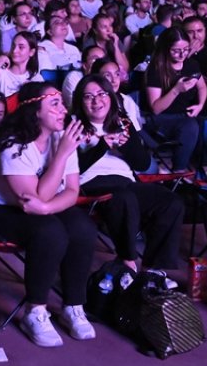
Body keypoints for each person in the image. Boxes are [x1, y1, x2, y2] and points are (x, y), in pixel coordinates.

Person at [0, 82, 97, 348]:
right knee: (50, 232)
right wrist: (60, 156)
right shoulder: (13, 143)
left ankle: (73, 305)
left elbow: (72, 190)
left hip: (35, 206)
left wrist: (47, 208)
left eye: (62, 103)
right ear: (36, 111)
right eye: (55, 104)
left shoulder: (62, 138)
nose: (64, 110)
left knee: (83, 227)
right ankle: (35, 311)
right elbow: (34, 200)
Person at [72, 74, 183, 274]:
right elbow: (70, 169)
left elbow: (142, 163)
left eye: (101, 94)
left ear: (110, 96)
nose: (96, 100)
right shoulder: (73, 125)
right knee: (125, 198)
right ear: (80, 101)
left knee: (170, 202)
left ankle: (152, 270)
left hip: (125, 181)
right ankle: (128, 261)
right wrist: (102, 146)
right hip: (89, 184)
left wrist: (126, 147)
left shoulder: (122, 122)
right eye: (88, 96)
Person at [143, 28, 206, 171]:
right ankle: (179, 171)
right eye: (176, 50)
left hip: (184, 114)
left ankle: (203, 170)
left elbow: (202, 87)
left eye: (186, 49)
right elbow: (156, 108)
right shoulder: (156, 69)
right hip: (161, 118)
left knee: (205, 124)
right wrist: (176, 90)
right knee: (190, 126)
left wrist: (200, 105)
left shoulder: (191, 65)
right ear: (166, 49)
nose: (182, 54)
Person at [0, 31, 44, 97]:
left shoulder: (35, 77)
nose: (14, 51)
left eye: (21, 47)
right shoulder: (2, 72)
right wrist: (3, 57)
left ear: (31, 52)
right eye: (13, 46)